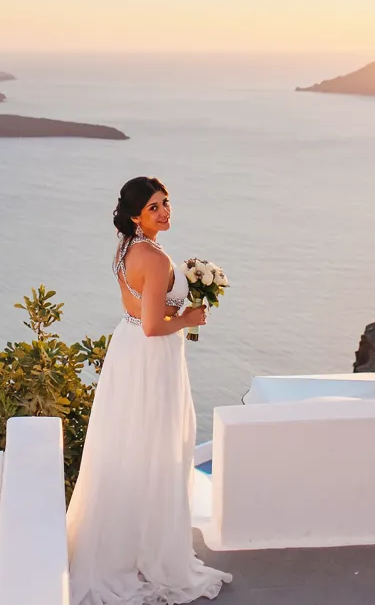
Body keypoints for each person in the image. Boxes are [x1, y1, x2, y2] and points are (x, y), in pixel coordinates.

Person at [66, 176, 232, 605]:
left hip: (127, 347)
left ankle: (126, 541)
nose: (165, 212)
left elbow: (138, 307)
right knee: (157, 445)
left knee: (129, 442)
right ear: (137, 214)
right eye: (155, 206)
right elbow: (156, 327)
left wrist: (172, 306)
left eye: (167, 203)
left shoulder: (126, 248)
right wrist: (189, 320)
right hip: (153, 357)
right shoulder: (155, 259)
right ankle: (150, 550)